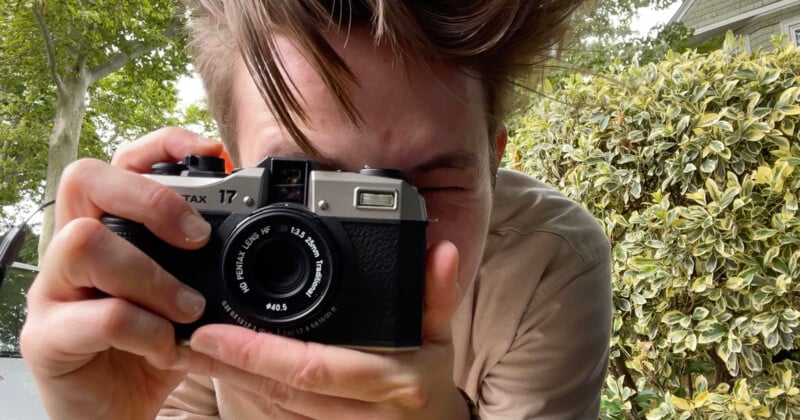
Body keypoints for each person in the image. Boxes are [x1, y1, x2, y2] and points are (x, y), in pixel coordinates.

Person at [20, 0, 612, 418]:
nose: (350, 240)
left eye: (430, 189)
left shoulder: (547, 264)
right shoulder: (195, 258)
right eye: (300, 189)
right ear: (234, 175)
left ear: (492, 162)